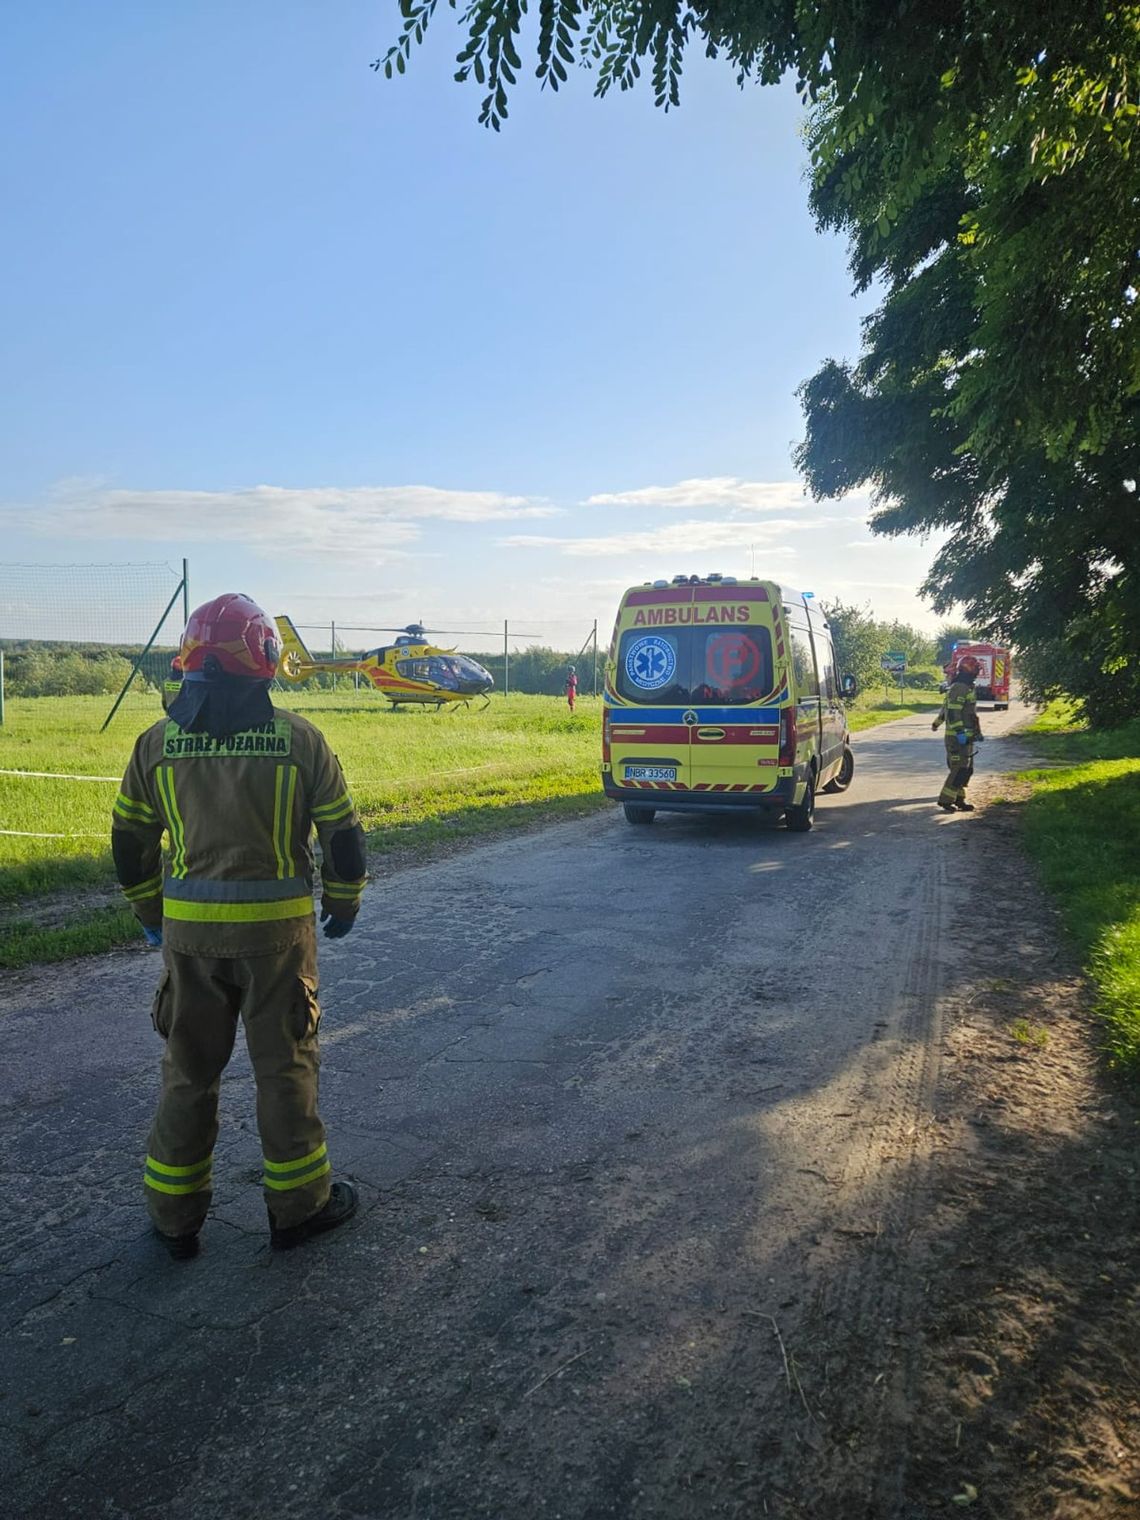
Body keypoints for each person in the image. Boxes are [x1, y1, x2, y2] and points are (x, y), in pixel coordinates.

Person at [111, 593, 368, 1258]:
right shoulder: (299, 740)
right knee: (284, 1071)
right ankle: (299, 1210)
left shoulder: (157, 744)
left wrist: (149, 915)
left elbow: (129, 842)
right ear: (264, 662)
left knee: (187, 1073)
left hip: (190, 944)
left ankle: (173, 1220)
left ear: (192, 661)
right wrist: (343, 905)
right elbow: (343, 839)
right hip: (278, 945)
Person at [933, 652, 984, 812]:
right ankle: (945, 800)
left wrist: (975, 733)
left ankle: (959, 799)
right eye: (975, 669)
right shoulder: (959, 688)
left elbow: (961, 712)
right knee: (958, 769)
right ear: (969, 670)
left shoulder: (965, 686)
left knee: (965, 770)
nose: (977, 672)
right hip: (957, 738)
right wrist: (960, 732)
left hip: (966, 737)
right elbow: (953, 713)